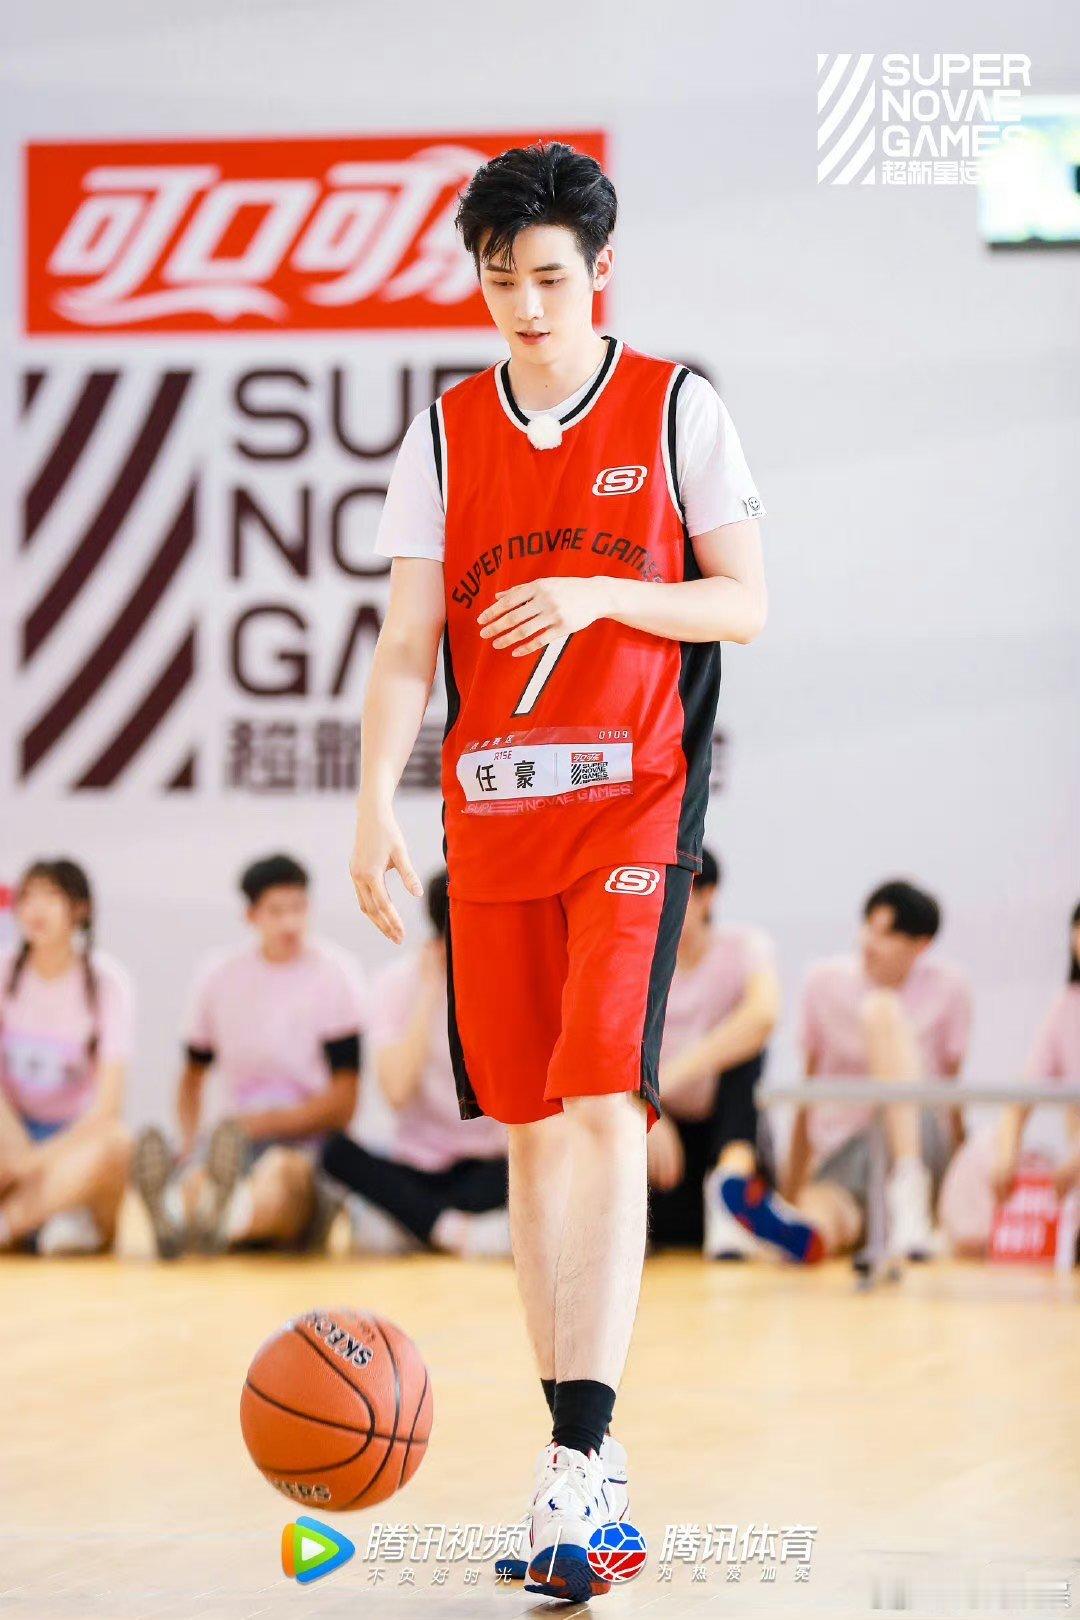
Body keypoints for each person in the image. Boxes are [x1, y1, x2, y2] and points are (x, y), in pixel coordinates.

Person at [349, 140, 767, 1600]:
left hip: (635, 810)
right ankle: (586, 1456)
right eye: (499, 280)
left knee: (601, 1103)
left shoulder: (675, 406)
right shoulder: (445, 433)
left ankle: (574, 1460)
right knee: (530, 1131)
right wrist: (372, 802)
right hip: (494, 820)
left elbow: (746, 602)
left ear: (599, 273)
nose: (525, 306)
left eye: (548, 277)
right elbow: (408, 642)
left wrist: (600, 590)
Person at [133, 853, 364, 1256]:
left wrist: (261, 1124)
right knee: (205, 1174)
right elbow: (193, 1074)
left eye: (298, 908)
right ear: (251, 915)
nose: (289, 923)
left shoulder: (334, 976)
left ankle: (213, 1219)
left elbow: (344, 1101)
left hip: (307, 1145)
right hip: (235, 1142)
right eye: (276, 911)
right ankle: (184, 1214)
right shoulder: (218, 977)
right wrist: (189, 1142)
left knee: (282, 1175)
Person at [777, 879, 972, 1262]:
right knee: (823, 1213)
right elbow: (808, 1089)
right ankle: (797, 1229)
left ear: (921, 945)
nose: (870, 942)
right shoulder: (824, 983)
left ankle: (910, 1193)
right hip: (845, 1148)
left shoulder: (949, 988)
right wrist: (791, 1189)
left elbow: (953, 1098)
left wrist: (954, 1190)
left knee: (881, 1010)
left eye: (886, 934)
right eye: (869, 927)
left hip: (918, 1139)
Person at [320, 870, 510, 1256]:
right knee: (335, 1152)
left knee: (553, 1158)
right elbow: (396, 1093)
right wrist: (429, 993)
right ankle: (448, 1229)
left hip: (488, 1168)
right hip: (418, 1166)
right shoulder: (396, 983)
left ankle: (423, 1223)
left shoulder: (509, 977)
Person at [646, 847, 796, 1258]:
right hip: (666, 1141)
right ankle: (722, 1213)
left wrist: (658, 1088)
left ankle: (731, 1189)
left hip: (724, 1126)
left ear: (707, 895)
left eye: (674, 889)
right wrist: (648, 1109)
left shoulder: (744, 946)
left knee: (746, 1056)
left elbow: (763, 1016)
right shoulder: (639, 958)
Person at [0, 858, 133, 1255]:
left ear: (80, 909)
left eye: (51, 896)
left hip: (71, 1142)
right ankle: (46, 1217)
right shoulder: (5, 972)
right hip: (13, 1133)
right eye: (28, 897)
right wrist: (18, 1153)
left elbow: (107, 1108)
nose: (36, 909)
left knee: (117, 1143)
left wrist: (37, 1162)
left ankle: (13, 1222)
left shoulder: (108, 983)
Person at [938, 900, 1080, 1259]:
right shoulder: (1066, 1006)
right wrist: (1007, 1151)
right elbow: (1022, 1095)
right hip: (1072, 1169)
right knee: (981, 1152)